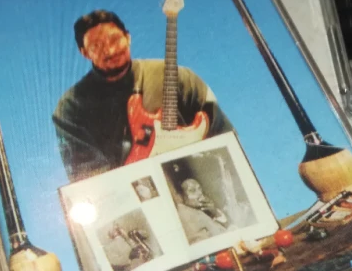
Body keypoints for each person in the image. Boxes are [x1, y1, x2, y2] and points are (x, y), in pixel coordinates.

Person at [53, 10, 234, 182]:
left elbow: (225, 136)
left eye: (115, 39)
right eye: (97, 46)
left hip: (200, 181)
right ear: (84, 53)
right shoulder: (70, 107)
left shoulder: (180, 76)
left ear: (128, 37)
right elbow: (88, 177)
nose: (110, 51)